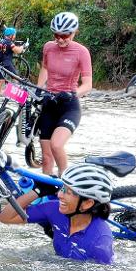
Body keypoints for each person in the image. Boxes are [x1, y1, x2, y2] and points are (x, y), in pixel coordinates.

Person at [0, 163, 115, 264]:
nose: (59, 195)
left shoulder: (100, 244)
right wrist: (37, 192)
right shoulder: (54, 210)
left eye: (68, 192)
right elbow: (6, 217)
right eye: (62, 188)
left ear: (87, 203)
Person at [35, 12, 92, 176]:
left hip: (69, 106)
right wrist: (39, 88)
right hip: (49, 104)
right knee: (46, 158)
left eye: (65, 35)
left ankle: (65, 184)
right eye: (56, 35)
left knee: (56, 145)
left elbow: (87, 85)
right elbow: (45, 68)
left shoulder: (81, 52)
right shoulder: (48, 47)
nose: (60, 39)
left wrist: (72, 94)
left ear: (74, 32)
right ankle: (45, 196)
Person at [0, 27, 28, 95]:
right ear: (10, 35)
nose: (15, 36)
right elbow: (17, 51)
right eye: (14, 35)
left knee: (1, 80)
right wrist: (23, 46)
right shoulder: (9, 43)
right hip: (7, 63)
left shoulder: (1, 41)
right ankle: (17, 94)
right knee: (16, 78)